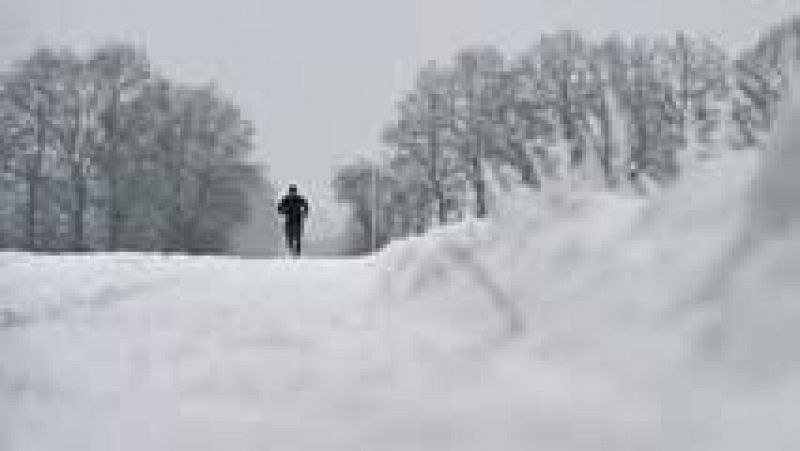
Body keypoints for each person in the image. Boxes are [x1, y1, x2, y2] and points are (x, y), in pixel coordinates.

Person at [277, 184, 309, 257]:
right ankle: (291, 251)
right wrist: (284, 211)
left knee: (298, 237)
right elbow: (279, 208)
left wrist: (304, 213)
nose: (293, 193)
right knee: (289, 237)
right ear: (289, 192)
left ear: (296, 192)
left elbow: (306, 206)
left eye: (294, 191)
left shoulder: (299, 199)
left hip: (298, 220)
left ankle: (297, 253)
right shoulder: (286, 199)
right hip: (289, 220)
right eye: (291, 191)